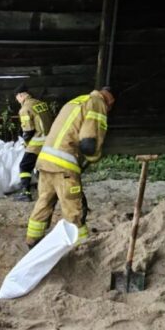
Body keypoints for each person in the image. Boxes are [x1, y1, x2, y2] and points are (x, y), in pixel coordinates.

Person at [25, 88, 114, 247]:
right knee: (73, 210)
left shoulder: (76, 100)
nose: (109, 110)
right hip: (64, 166)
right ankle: (81, 247)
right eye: (110, 107)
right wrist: (94, 157)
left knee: (44, 202)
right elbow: (88, 143)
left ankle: (33, 241)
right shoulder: (97, 102)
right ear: (110, 100)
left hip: (45, 161)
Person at [9, 84, 54, 202]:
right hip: (50, 140)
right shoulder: (41, 104)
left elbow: (28, 130)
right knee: (41, 167)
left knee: (24, 165)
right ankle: (47, 191)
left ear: (21, 95)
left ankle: (26, 193)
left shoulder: (25, 109)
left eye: (17, 97)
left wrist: (26, 143)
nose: (17, 100)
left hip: (38, 141)